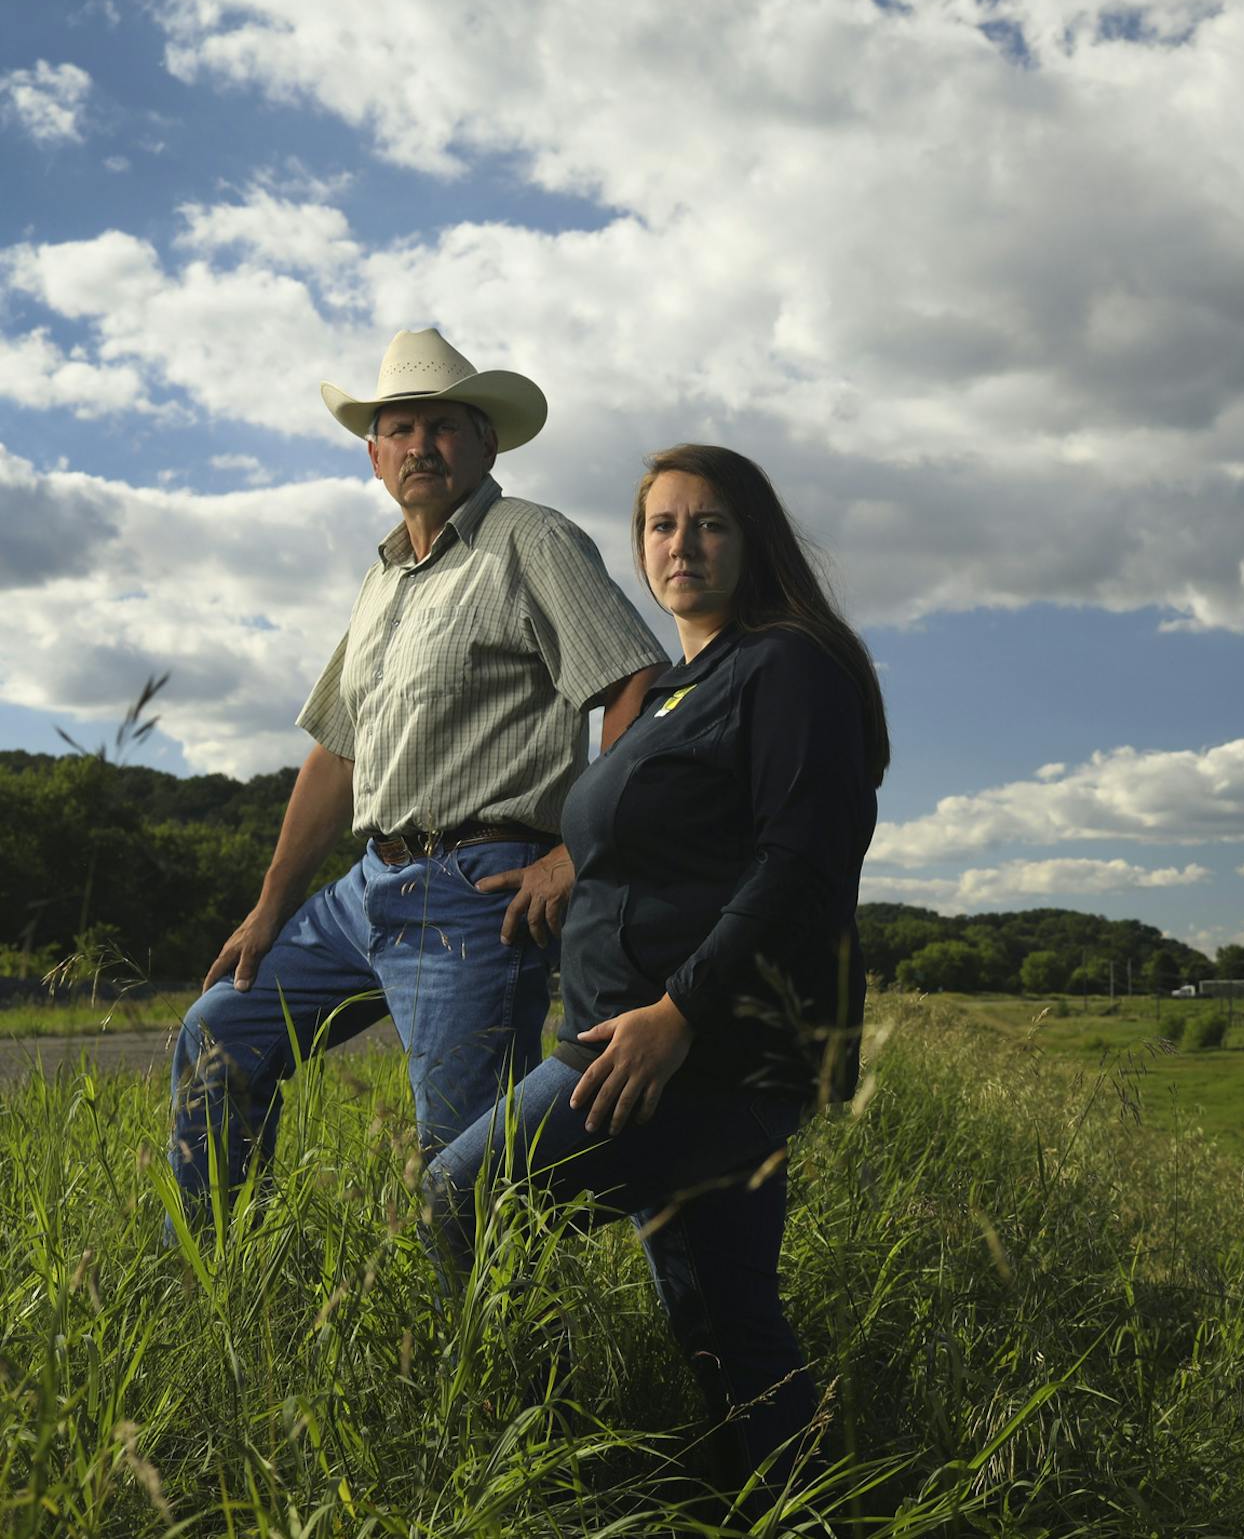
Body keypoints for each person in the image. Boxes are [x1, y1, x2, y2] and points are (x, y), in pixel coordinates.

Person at [425, 443, 888, 1492]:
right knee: (727, 1325)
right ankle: (788, 1508)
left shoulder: (788, 664)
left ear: (752, 537)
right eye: (662, 525)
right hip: (652, 1041)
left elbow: (800, 860)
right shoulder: (688, 684)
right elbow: (635, 839)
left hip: (683, 1050)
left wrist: (677, 1009)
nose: (683, 544)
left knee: (462, 1199)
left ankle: (537, 1475)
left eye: (710, 522)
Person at [169, 329, 667, 1209]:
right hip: (367, 887)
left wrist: (574, 852)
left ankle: (490, 1342)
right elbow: (336, 751)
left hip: (478, 890)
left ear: (488, 442)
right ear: (373, 455)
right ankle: (222, 1282)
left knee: (461, 1165)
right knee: (220, 1031)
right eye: (399, 429)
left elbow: (634, 681)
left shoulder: (531, 540)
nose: (419, 445)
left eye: (442, 426)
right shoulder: (384, 578)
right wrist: (269, 906)